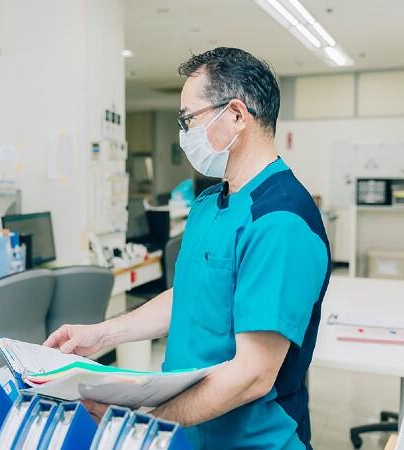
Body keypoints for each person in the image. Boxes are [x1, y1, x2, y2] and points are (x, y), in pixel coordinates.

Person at [44, 47, 330, 450]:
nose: (184, 133)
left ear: (235, 115)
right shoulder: (211, 202)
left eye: (188, 118)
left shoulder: (281, 221)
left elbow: (253, 375)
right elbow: (193, 296)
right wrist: (103, 334)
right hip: (186, 431)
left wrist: (140, 421)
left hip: (252, 441)